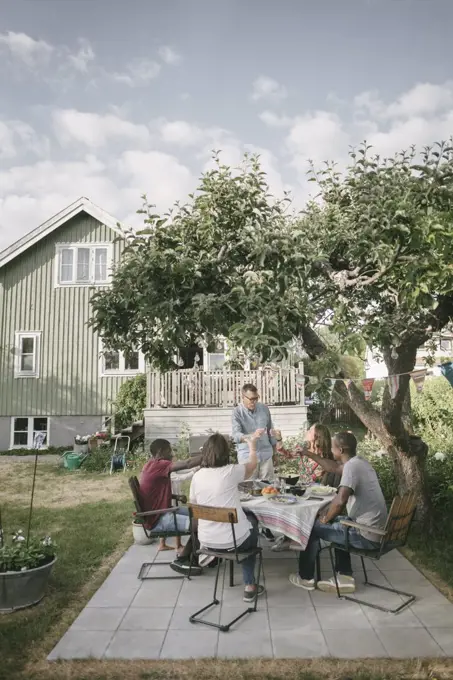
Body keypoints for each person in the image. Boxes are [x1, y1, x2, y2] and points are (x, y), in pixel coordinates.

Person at [289, 431, 388, 594]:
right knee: (340, 522)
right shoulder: (360, 462)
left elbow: (340, 500)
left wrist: (325, 519)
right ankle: (344, 577)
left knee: (310, 527)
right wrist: (308, 453)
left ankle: (305, 577)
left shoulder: (351, 467)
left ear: (341, 450)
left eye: (333, 447)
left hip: (366, 535)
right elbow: (332, 467)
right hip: (375, 531)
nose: (331, 449)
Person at [189, 431, 266, 603]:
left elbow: (194, 505)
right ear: (226, 453)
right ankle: (249, 586)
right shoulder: (232, 471)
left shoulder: (197, 476)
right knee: (251, 523)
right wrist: (252, 446)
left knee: (243, 521)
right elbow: (252, 465)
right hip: (233, 540)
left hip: (206, 540)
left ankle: (217, 556)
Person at [271, 423, 342, 552]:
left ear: (316, 436)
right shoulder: (304, 448)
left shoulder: (325, 457)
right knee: (285, 498)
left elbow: (321, 481)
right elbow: (286, 454)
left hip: (317, 495)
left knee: (290, 500)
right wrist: (279, 439)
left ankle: (293, 539)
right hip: (302, 490)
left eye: (310, 430)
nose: (307, 431)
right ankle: (289, 537)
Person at [139, 438, 203, 571]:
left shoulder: (149, 464)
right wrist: (209, 453)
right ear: (161, 452)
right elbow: (188, 463)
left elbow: (155, 493)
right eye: (170, 451)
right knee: (203, 524)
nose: (172, 454)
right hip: (158, 519)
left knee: (201, 513)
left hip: (159, 513)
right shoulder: (159, 464)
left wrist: (175, 496)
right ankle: (184, 559)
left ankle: (193, 555)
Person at [232, 383, 278, 541]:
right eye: (250, 399)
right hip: (247, 454)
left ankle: (267, 527)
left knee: (268, 490)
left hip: (266, 453)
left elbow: (270, 429)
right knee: (249, 492)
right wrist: (250, 436)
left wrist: (275, 446)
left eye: (256, 398)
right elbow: (236, 435)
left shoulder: (264, 409)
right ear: (243, 397)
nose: (253, 401)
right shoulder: (237, 412)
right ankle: (250, 527)